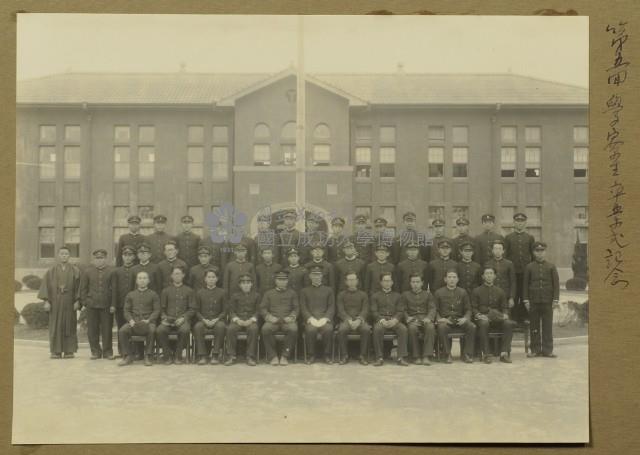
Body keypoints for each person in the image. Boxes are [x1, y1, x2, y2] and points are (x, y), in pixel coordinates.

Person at [38, 246, 81, 359]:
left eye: (66, 254)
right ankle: (56, 351)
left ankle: (69, 351)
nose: (64, 256)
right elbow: (46, 286)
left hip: (69, 301)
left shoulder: (75, 270)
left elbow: (79, 287)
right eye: (62, 254)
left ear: (69, 256)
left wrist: (78, 301)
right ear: (58, 255)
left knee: (70, 325)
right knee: (55, 326)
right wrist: (47, 301)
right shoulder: (51, 271)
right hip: (55, 302)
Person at [472, 266, 517, 364]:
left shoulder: (500, 291)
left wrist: (505, 314)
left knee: (508, 324)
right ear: (483, 276)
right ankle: (487, 354)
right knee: (484, 324)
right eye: (487, 274)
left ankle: (504, 354)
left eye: (491, 273)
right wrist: (479, 315)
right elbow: (474, 307)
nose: (489, 276)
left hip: (497, 318)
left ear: (495, 276)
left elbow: (504, 307)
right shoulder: (476, 291)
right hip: (483, 317)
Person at [523, 241, 560, 358]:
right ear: (534, 253)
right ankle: (535, 349)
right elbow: (525, 285)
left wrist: (555, 300)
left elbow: (556, 285)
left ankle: (548, 350)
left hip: (547, 301)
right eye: (537, 251)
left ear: (545, 252)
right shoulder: (529, 267)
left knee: (547, 326)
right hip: (533, 301)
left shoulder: (551, 266)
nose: (540, 253)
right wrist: (526, 300)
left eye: (542, 251)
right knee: (534, 326)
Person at [117, 271, 160, 367]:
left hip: (148, 322)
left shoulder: (154, 294)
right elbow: (126, 311)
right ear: (136, 281)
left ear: (148, 281)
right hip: (134, 322)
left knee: (152, 330)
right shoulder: (130, 295)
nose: (142, 280)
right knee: (122, 330)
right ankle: (128, 356)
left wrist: (149, 320)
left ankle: (148, 356)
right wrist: (131, 321)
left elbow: (157, 310)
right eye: (140, 278)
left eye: (144, 278)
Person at [79, 249, 115, 360]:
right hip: (92, 305)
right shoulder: (88, 271)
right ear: (94, 259)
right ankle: (95, 352)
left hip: (106, 305)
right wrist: (85, 302)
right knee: (92, 330)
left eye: (102, 258)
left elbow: (114, 289)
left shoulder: (111, 271)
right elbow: (83, 288)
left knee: (107, 329)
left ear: (105, 259)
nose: (99, 260)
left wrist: (113, 304)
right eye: (97, 258)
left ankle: (107, 352)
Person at [434, 270, 475, 364]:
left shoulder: (463, 292)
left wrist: (465, 318)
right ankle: (447, 354)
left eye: (454, 277)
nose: (452, 279)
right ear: (445, 279)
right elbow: (435, 310)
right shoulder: (438, 292)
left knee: (471, 326)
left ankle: (466, 354)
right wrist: (440, 319)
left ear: (457, 279)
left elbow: (468, 309)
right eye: (449, 277)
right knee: (442, 327)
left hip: (459, 320)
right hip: (446, 320)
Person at [156, 267, 195, 364]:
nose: (177, 276)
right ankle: (167, 355)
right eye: (175, 274)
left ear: (183, 275)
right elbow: (162, 309)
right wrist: (164, 318)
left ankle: (178, 355)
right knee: (160, 330)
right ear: (171, 276)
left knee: (185, 330)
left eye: (179, 274)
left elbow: (192, 309)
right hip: (168, 320)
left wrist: (184, 318)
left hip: (182, 320)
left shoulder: (189, 291)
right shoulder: (165, 291)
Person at [260, 270, 299, 366]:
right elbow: (263, 308)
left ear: (287, 281)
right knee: (265, 329)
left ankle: (285, 356)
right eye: (279, 279)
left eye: (284, 280)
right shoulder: (268, 293)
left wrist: (292, 317)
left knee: (293, 329)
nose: (282, 282)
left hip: (287, 321)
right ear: (275, 281)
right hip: (273, 320)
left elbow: (296, 308)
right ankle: (273, 356)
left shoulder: (292, 293)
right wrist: (269, 317)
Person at [370, 272, 409, 366]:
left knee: (403, 329)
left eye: (389, 281)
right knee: (377, 329)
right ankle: (379, 357)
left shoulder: (398, 296)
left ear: (392, 282)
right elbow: (373, 311)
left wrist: (395, 320)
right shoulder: (375, 296)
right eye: (385, 281)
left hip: (394, 320)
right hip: (381, 320)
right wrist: (382, 320)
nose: (387, 283)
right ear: (381, 282)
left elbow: (400, 311)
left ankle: (401, 357)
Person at [300, 266, 335, 364]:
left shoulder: (329, 290)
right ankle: (311, 355)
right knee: (311, 330)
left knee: (328, 329)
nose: (316, 277)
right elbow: (303, 307)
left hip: (324, 319)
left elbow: (331, 306)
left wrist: (326, 318)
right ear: (310, 276)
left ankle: (327, 355)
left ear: (322, 276)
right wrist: (310, 318)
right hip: (311, 320)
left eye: (318, 275)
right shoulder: (304, 291)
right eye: (314, 275)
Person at [505, 212, 536, 324]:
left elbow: (533, 256)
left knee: (524, 294)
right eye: (517, 221)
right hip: (513, 272)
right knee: (514, 294)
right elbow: (506, 255)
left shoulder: (530, 238)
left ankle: (524, 317)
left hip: (525, 272)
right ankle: (513, 318)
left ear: (525, 223)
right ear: (514, 223)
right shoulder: (508, 238)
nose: (519, 223)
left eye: (522, 221)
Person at [191, 269, 227, 365]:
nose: (211, 279)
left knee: (221, 326)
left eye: (213, 277)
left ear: (217, 279)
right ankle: (203, 355)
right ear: (205, 279)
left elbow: (224, 311)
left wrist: (216, 319)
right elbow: (196, 311)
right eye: (209, 277)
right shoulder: (199, 293)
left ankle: (215, 355)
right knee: (197, 327)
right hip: (204, 320)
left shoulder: (222, 292)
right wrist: (203, 320)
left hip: (217, 320)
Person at [336, 272, 370, 365]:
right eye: (349, 280)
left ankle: (362, 355)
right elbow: (340, 310)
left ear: (357, 281)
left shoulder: (363, 294)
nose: (351, 282)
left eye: (353, 280)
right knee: (342, 329)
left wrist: (359, 320)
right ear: (346, 282)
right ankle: (344, 355)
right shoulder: (341, 295)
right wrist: (348, 320)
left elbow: (365, 309)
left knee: (366, 329)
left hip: (360, 320)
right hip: (347, 320)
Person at [401, 273, 436, 365]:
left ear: (422, 283)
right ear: (410, 283)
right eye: (413, 282)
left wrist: (429, 318)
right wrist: (407, 317)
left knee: (430, 327)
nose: (415, 284)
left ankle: (426, 356)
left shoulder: (428, 294)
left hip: (425, 318)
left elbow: (432, 308)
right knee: (412, 328)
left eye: (417, 282)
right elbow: (402, 309)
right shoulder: (405, 295)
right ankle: (415, 356)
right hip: (412, 319)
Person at [226, 273, 260, 366]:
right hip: (238, 321)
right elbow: (231, 311)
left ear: (251, 284)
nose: (246, 285)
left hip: (250, 321)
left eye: (248, 282)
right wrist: (237, 320)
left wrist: (251, 320)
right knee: (230, 329)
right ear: (240, 285)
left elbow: (258, 311)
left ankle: (250, 356)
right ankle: (231, 356)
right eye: (243, 283)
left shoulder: (256, 296)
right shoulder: (234, 296)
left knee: (253, 329)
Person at [110, 245, 137, 358]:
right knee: (121, 327)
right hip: (120, 305)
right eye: (125, 255)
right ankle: (122, 351)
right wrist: (113, 304)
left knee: (134, 327)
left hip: (134, 306)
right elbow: (114, 289)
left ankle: (135, 351)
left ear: (134, 257)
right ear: (122, 257)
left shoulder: (136, 269)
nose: (127, 258)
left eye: (130, 255)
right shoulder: (116, 271)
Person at [485, 240, 516, 315]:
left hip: (505, 295)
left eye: (500, 249)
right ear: (492, 250)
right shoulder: (488, 263)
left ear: (503, 251)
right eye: (495, 249)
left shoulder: (509, 264)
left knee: (506, 319)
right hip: (492, 295)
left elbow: (513, 281)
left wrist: (511, 297)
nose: (497, 251)